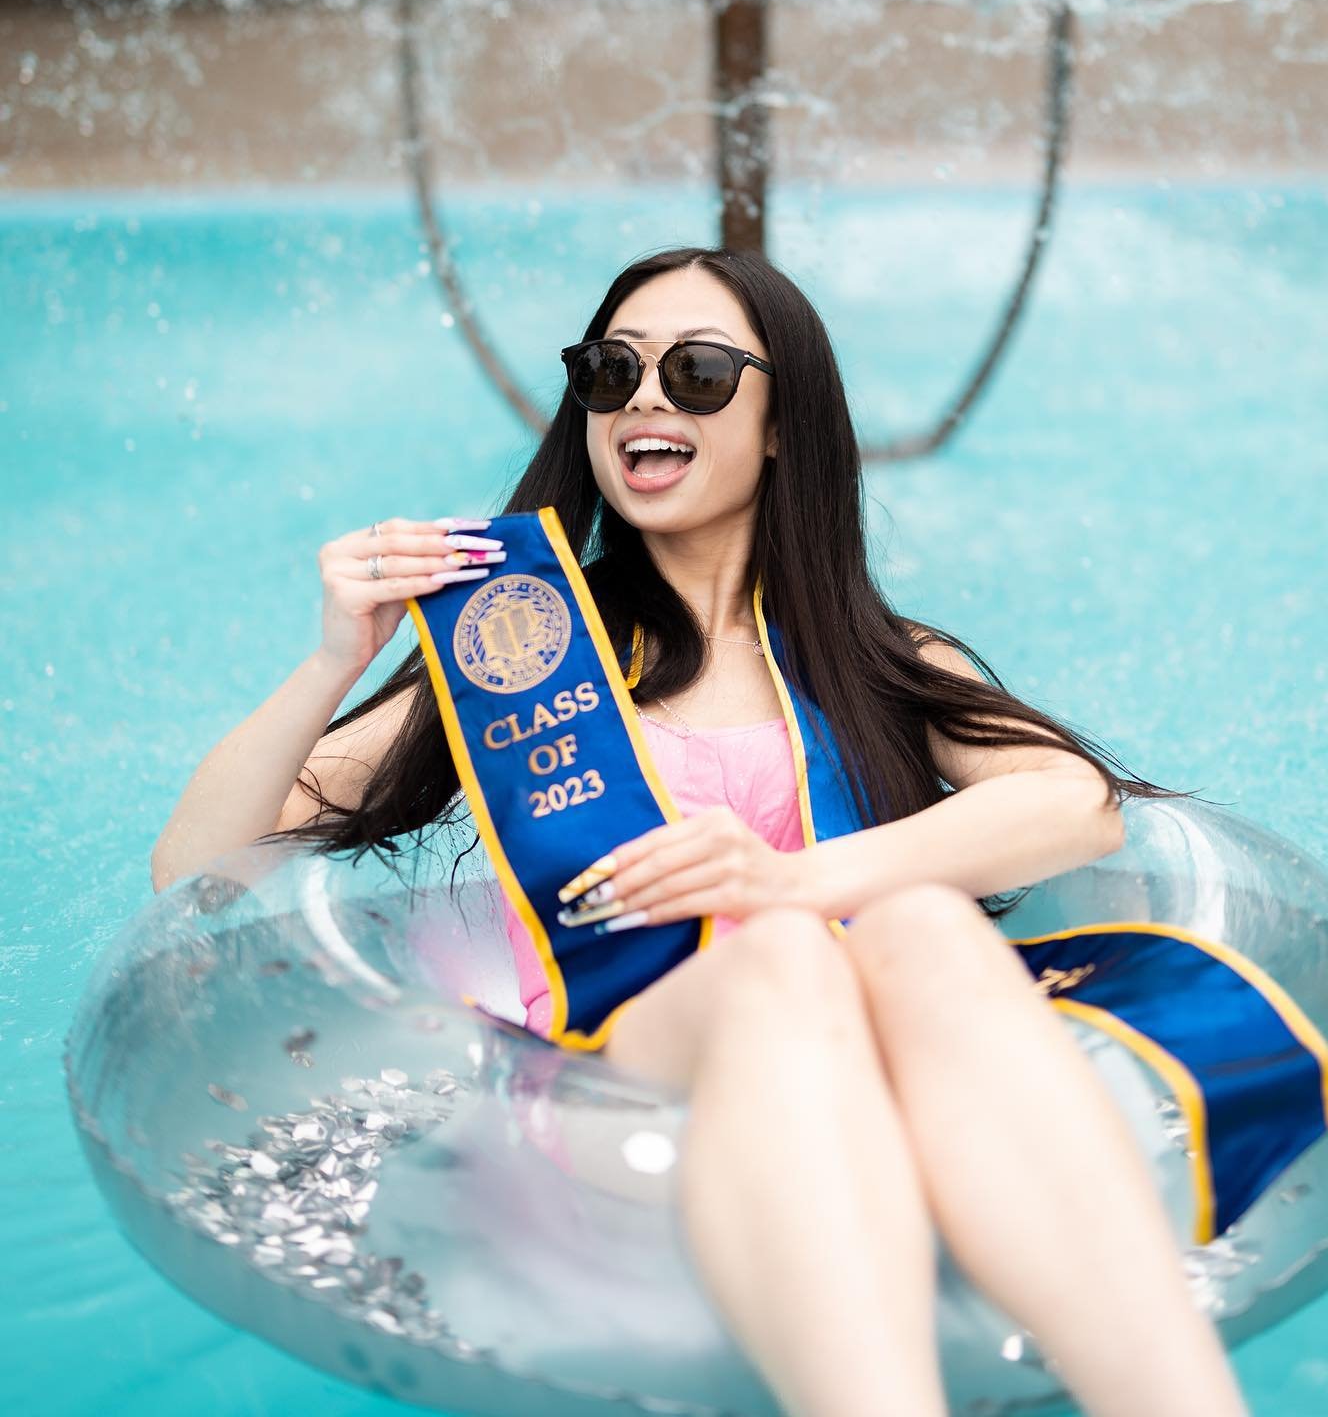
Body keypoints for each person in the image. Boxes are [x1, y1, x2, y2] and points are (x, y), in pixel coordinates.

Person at [152, 244, 1248, 1417]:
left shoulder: (873, 659)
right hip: (612, 1064)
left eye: (701, 372)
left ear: (784, 423)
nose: (646, 400)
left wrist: (788, 877)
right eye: (610, 371)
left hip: (845, 1038)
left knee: (921, 925)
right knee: (779, 956)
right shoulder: (523, 654)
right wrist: (335, 657)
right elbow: (197, 864)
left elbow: (1071, 806)